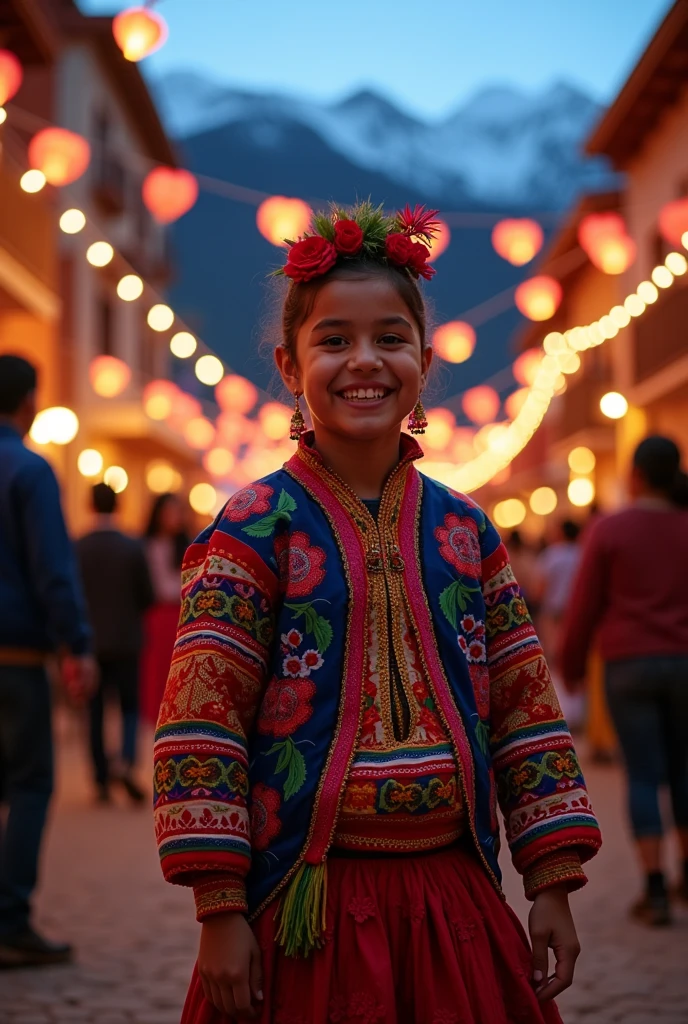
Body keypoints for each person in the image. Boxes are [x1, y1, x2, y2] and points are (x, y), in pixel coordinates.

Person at [153, 203, 601, 1024]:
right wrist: (219, 910)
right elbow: (201, 719)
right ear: (290, 366)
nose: (365, 361)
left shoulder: (467, 533)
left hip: (453, 903)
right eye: (335, 340)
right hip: (304, 901)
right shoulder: (254, 529)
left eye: (390, 338)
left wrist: (552, 882)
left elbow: (524, 711)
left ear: (424, 363)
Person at [561, 435, 688, 927]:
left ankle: (654, 889)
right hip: (684, 662)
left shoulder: (611, 530)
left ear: (635, 475)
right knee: (683, 770)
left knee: (643, 774)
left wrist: (570, 666)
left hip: (629, 664)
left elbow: (585, 605)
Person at [0, 354, 96, 967]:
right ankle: (10, 920)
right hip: (14, 656)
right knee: (30, 782)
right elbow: (53, 572)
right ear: (29, 400)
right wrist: (77, 644)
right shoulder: (29, 471)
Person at [76, 482, 155, 804]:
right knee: (129, 707)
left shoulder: (77, 547)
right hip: (126, 639)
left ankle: (100, 778)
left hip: (91, 641)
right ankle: (124, 760)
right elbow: (147, 596)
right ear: (117, 505)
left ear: (90, 505)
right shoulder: (132, 547)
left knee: (94, 711)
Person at [140, 493, 189, 725]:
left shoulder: (188, 545)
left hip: (181, 613)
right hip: (156, 614)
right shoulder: (146, 545)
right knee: (156, 669)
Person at [534, 520, 584, 731]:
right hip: (577, 612)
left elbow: (540, 588)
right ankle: (581, 710)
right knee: (577, 657)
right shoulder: (582, 553)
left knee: (555, 659)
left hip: (555, 614)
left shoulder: (552, 555)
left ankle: (563, 711)